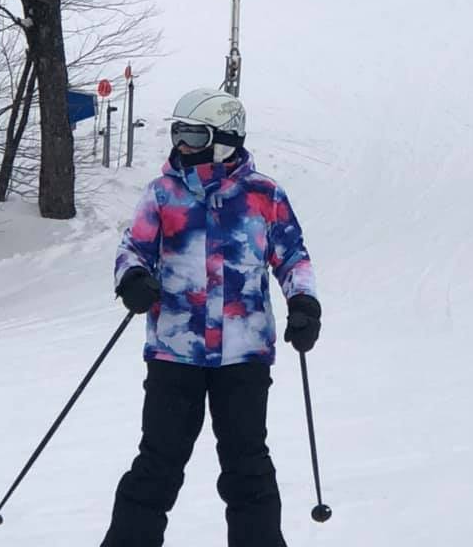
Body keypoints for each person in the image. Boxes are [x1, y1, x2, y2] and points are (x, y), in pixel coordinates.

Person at [101, 88, 321, 547]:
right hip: (174, 354)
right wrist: (133, 279)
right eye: (177, 132)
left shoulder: (264, 195)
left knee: (247, 466)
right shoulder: (163, 194)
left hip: (243, 356)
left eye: (193, 134)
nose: (181, 144)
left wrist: (303, 304)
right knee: (157, 463)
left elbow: (292, 256)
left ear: (224, 138)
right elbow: (132, 249)